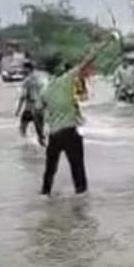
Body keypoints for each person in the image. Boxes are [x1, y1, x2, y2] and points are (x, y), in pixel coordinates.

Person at [39, 50, 101, 195]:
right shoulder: (66, 80)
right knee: (78, 170)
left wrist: (41, 133)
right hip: (69, 132)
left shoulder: (46, 90)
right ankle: (81, 204)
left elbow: (39, 111)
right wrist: (106, 42)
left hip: (54, 135)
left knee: (50, 170)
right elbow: (85, 63)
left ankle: (45, 196)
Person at [15, 61, 46, 145]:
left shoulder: (27, 80)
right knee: (40, 130)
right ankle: (42, 146)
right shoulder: (42, 78)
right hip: (41, 107)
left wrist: (18, 110)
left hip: (30, 108)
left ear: (27, 69)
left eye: (24, 68)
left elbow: (23, 96)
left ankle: (26, 146)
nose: (22, 70)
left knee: (22, 128)